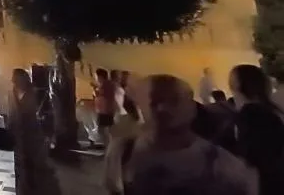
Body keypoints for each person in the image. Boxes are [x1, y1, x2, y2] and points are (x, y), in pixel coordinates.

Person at [121, 74, 256, 195]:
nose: (163, 108)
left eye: (174, 101)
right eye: (154, 102)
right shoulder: (123, 152)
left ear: (192, 107)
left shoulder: (221, 164)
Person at [228, 65, 284, 195]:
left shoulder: (251, 114)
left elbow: (253, 159)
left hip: (264, 184)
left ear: (238, 84)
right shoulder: (272, 110)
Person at [10, 69, 61, 195]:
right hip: (19, 135)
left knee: (33, 162)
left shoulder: (34, 93)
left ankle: (34, 187)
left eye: (16, 78)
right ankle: (23, 188)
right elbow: (12, 113)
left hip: (33, 133)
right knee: (21, 164)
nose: (13, 81)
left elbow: (43, 114)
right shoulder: (13, 92)